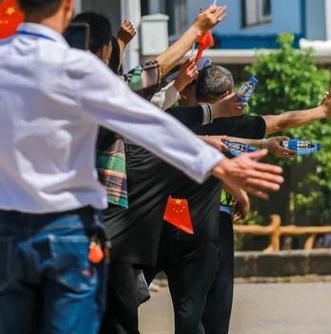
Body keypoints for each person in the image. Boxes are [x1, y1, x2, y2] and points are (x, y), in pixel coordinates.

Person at [0, 1, 283, 334]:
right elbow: (148, 122)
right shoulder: (77, 68)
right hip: (69, 230)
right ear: (66, 7)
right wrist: (217, 164)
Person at [146, 64, 331, 334]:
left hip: (164, 216)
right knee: (211, 303)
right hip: (210, 220)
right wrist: (323, 111)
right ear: (230, 92)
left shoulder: (175, 118)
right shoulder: (237, 123)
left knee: (178, 301)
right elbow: (281, 121)